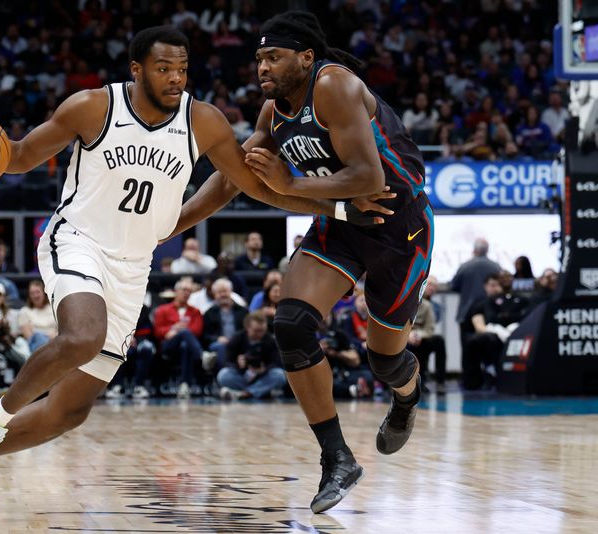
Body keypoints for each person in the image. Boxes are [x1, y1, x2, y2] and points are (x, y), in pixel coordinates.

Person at [0, 26, 357, 514]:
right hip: (78, 241)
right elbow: (20, 155)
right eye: (163, 68)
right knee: (83, 336)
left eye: (182, 69)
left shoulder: (203, 121)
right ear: (136, 70)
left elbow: (250, 185)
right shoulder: (92, 107)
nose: (176, 78)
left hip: (133, 266)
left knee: (69, 411)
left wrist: (336, 209)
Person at [167, 12, 427, 512]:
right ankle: (337, 458)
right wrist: (169, 228)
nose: (263, 66)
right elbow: (230, 177)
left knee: (386, 360)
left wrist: (291, 186)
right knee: (290, 325)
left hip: (401, 226)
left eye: (274, 56)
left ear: (306, 57)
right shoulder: (272, 111)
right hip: (342, 224)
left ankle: (408, 397)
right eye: (260, 58)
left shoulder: (335, 86)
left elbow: (369, 180)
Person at [217, 311, 286, 399]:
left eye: (263, 331)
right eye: (257, 331)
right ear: (247, 328)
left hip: (263, 376)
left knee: (280, 375)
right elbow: (226, 361)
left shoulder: (270, 340)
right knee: (223, 375)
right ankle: (259, 391)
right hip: (242, 376)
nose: (260, 334)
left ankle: (244, 393)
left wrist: (263, 369)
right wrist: (238, 364)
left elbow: (277, 363)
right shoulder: (237, 338)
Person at [154, 278, 204, 398]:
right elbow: (157, 331)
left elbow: (197, 331)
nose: (186, 293)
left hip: (186, 346)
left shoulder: (195, 311)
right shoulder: (163, 309)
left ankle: (184, 386)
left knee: (186, 344)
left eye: (189, 291)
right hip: (168, 345)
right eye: (184, 290)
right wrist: (171, 329)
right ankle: (203, 356)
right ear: (176, 291)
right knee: (185, 333)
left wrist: (176, 331)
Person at [18, 280, 57, 352]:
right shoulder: (24, 311)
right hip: (35, 346)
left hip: (54, 342)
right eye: (32, 293)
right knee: (38, 336)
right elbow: (29, 336)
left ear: (44, 293)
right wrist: (46, 338)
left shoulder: (53, 308)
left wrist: (50, 338)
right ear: (29, 295)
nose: (35, 296)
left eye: (38, 292)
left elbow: (60, 331)